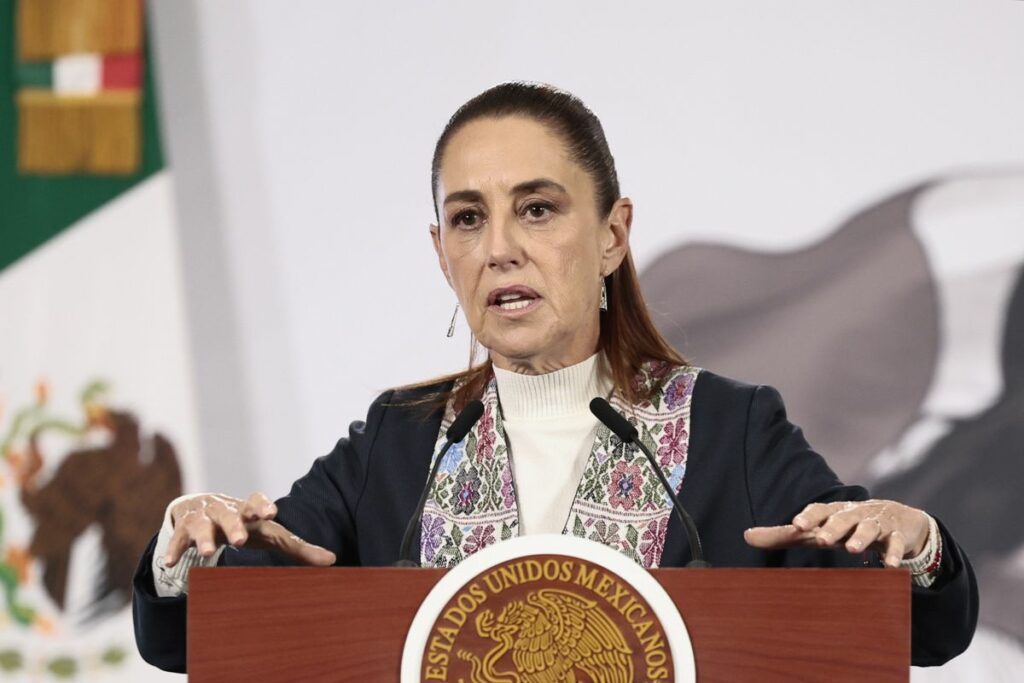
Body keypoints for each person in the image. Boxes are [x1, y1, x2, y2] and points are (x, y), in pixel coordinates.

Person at [132, 82, 978, 673]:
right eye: (469, 218)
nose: (500, 246)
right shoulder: (401, 441)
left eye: (537, 208)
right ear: (442, 254)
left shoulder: (731, 430)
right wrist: (195, 545)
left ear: (613, 235)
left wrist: (915, 545)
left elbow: (913, 627)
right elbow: (199, 634)